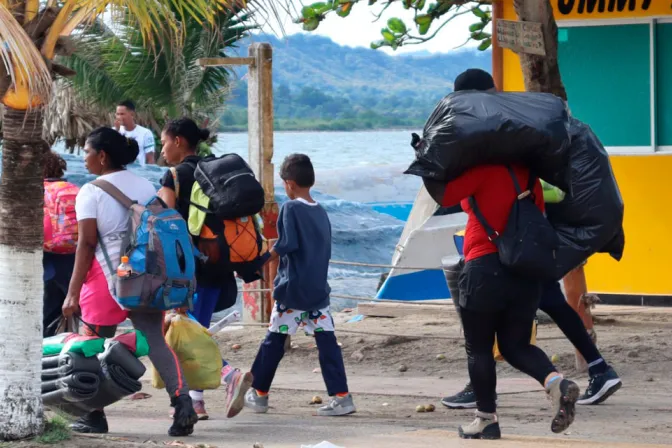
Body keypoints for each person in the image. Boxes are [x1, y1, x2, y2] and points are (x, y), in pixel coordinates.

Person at [439, 71, 621, 411]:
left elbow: (448, 193)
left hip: (503, 248)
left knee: (486, 334)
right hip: (529, 243)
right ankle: (592, 369)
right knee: (542, 309)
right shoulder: (515, 132)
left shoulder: (491, 141)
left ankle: (482, 398)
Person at [427, 68, 580, 439]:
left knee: (479, 347)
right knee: (515, 345)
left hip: (484, 267)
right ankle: (555, 380)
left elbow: (444, 198)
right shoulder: (527, 173)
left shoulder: (480, 169)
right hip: (526, 272)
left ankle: (487, 420)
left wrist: (427, 161)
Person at [62, 127, 197, 437]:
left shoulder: (91, 191)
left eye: (87, 152)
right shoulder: (146, 185)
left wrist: (72, 292)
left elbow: (86, 245)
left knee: (90, 346)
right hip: (145, 277)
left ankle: (94, 415)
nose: (84, 159)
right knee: (156, 342)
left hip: (104, 278)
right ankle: (183, 404)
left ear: (102, 155)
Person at [244, 154, 356, 417]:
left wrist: (260, 261)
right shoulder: (320, 210)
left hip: (293, 291)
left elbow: (286, 245)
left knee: (274, 339)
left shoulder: (291, 208)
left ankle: (259, 393)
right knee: (327, 342)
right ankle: (341, 397)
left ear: (289, 183)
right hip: (318, 292)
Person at [158, 117, 253, 420]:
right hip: (217, 263)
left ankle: (229, 375)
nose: (162, 149)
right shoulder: (212, 171)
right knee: (198, 329)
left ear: (177, 141)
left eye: (163, 142)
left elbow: (165, 227)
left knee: (187, 334)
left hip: (188, 269)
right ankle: (197, 402)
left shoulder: (174, 176)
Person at [43, 150, 78, 337]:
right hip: (72, 257)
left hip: (44, 257)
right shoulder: (73, 187)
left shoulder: (33, 190)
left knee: (45, 315)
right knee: (64, 313)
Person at [114, 100, 156, 166]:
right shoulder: (113, 132)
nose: (119, 117)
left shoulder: (145, 133)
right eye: (117, 114)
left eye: (122, 114)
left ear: (132, 114)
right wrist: (116, 131)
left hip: (139, 173)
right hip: (120, 172)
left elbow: (150, 159)